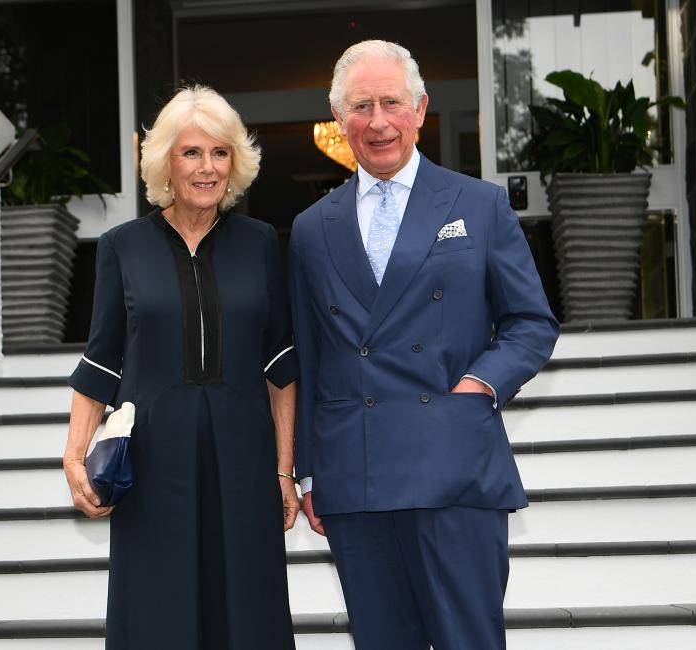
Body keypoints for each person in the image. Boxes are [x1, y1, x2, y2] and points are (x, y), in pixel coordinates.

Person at [289, 40, 559, 650]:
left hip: (454, 463)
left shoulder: (480, 204)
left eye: (391, 103)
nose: (377, 121)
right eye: (360, 107)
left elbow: (531, 324)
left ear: (420, 109)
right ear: (339, 121)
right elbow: (311, 354)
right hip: (357, 472)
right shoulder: (311, 229)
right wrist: (309, 470)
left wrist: (477, 388)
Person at [62, 85, 299, 650]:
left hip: (243, 460)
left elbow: (282, 365)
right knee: (156, 616)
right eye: (191, 152)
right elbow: (101, 360)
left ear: (235, 163)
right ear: (165, 160)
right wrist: (76, 456)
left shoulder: (261, 242)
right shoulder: (122, 246)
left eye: (219, 153)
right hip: (152, 462)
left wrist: (284, 469)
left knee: (248, 612)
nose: (207, 167)